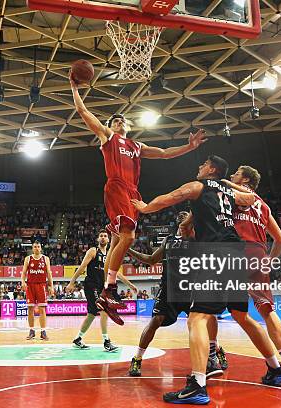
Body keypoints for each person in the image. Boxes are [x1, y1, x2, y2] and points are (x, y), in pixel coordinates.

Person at [132, 155, 281, 404]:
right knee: (242, 315)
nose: (199, 167)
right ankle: (276, 369)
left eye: (203, 164)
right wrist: (229, 184)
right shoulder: (229, 193)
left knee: (197, 319)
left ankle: (197, 385)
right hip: (237, 255)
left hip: (216, 254)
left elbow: (171, 197)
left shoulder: (198, 186)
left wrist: (144, 208)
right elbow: (251, 198)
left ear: (212, 169)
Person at [71, 74, 206, 324]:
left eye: (122, 119)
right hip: (117, 187)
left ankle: (105, 292)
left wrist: (189, 148)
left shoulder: (136, 145)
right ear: (111, 126)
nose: (119, 121)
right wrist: (74, 87)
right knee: (129, 236)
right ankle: (109, 290)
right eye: (115, 120)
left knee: (117, 241)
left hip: (133, 191)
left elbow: (165, 153)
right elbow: (82, 110)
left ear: (128, 125)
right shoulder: (108, 138)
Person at [218, 166, 281, 386]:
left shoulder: (236, 195)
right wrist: (268, 262)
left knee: (208, 309)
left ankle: (209, 358)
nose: (232, 175)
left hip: (237, 253)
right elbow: (280, 240)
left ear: (244, 179)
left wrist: (222, 183)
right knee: (267, 309)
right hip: (258, 254)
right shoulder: (264, 206)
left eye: (236, 173)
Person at [126, 211, 227, 378]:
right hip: (168, 289)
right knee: (155, 321)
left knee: (204, 322)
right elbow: (151, 259)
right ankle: (137, 358)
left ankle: (215, 351)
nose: (182, 215)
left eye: (186, 215)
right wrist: (127, 250)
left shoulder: (196, 237)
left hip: (191, 289)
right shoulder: (169, 240)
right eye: (180, 215)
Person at [66, 230, 137, 350]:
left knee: (92, 314)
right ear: (98, 239)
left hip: (101, 287)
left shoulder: (110, 255)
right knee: (104, 309)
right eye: (101, 236)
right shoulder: (93, 251)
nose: (103, 238)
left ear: (109, 240)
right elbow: (82, 266)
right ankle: (106, 341)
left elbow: (117, 273)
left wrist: (130, 285)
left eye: (105, 236)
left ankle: (78, 338)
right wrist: (71, 282)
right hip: (91, 285)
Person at [21, 241, 55, 340]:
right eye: (35, 247)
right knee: (30, 309)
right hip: (30, 285)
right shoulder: (28, 259)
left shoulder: (45, 259)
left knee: (42, 309)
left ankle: (43, 331)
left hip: (42, 285)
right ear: (32, 248)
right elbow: (23, 272)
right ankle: (31, 331)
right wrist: (23, 282)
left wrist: (51, 286)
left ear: (41, 248)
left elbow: (49, 273)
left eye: (38, 246)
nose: (36, 248)